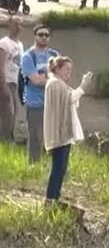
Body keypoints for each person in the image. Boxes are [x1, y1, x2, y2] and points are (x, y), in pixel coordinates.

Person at [42, 55, 91, 204]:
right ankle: (51, 199)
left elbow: (70, 101)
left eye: (71, 69)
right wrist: (82, 87)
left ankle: (54, 198)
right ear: (57, 68)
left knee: (61, 169)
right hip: (59, 133)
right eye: (67, 69)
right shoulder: (55, 83)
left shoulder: (59, 83)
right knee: (58, 169)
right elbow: (69, 100)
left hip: (62, 134)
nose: (69, 72)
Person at [20, 24, 58, 163]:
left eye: (46, 35)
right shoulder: (28, 56)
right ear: (35, 36)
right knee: (36, 138)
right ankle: (33, 167)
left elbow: (63, 77)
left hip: (52, 103)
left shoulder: (54, 55)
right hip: (35, 103)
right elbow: (36, 80)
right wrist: (53, 79)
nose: (43, 37)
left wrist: (48, 79)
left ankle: (52, 166)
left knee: (54, 137)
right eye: (40, 34)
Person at [0, 17, 22, 141]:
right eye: (15, 23)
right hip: (5, 81)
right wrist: (3, 86)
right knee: (8, 113)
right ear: (9, 25)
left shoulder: (20, 44)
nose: (18, 26)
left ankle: (9, 139)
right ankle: (4, 141)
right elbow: (1, 66)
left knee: (15, 111)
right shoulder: (4, 43)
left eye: (20, 24)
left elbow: (19, 66)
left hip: (14, 83)